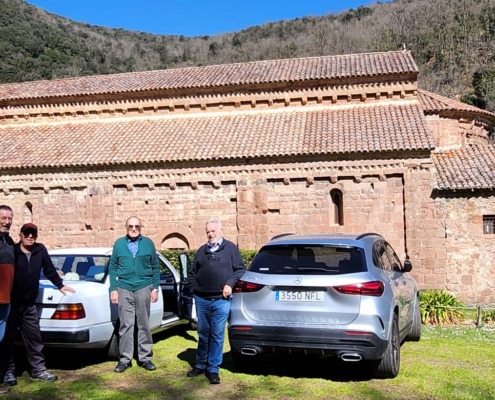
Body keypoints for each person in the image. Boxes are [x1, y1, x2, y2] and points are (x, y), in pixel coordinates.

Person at [1, 223, 76, 386]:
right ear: (21, 235)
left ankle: (38, 370)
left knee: (34, 338)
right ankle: (8, 371)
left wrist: (60, 285)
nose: (30, 237)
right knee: (8, 339)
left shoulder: (40, 250)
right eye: (27, 233)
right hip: (12, 303)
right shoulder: (13, 250)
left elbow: (49, 269)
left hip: (29, 304)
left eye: (33, 234)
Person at [186, 218, 246, 384]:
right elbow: (192, 274)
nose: (210, 234)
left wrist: (229, 284)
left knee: (217, 334)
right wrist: (194, 289)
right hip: (202, 300)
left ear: (220, 230)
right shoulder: (201, 251)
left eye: (213, 231)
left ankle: (213, 369)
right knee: (203, 333)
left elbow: (240, 269)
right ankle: (200, 364)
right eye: (208, 231)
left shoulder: (231, 249)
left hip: (221, 300)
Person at [108, 216, 160, 373]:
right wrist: (113, 289)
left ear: (141, 227)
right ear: (126, 227)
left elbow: (155, 267)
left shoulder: (148, 243)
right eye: (130, 226)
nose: (134, 228)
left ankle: (145, 358)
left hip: (144, 286)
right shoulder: (119, 244)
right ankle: (125, 359)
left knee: (143, 323)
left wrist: (155, 288)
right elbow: (113, 267)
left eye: (137, 226)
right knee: (126, 324)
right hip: (124, 287)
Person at [0, 206, 14, 394]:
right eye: (3, 218)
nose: (7, 222)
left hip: (5, 299)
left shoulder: (9, 241)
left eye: (9, 218)